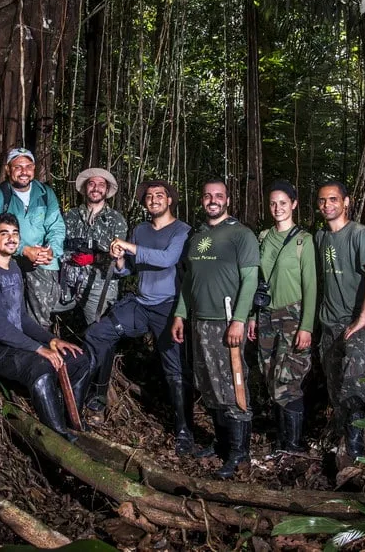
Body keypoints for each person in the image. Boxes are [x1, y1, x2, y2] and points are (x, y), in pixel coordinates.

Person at [82, 180, 193, 454]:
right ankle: (96, 398)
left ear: (170, 200)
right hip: (140, 304)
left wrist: (129, 247)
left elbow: (167, 259)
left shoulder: (183, 231)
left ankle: (183, 431)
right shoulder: (140, 230)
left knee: (175, 368)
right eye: (149, 196)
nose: (153, 199)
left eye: (159, 195)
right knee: (97, 334)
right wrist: (119, 258)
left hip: (169, 308)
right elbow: (129, 269)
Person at [0, 213, 91, 441]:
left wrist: (51, 340)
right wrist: (39, 349)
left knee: (79, 358)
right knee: (40, 367)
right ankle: (59, 436)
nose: (11, 238)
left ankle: (72, 422)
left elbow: (21, 317)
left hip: (15, 342)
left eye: (15, 234)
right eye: (4, 233)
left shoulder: (13, 267)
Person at [172, 179, 260, 479]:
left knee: (232, 383)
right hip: (200, 321)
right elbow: (188, 280)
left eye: (218, 196)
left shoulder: (240, 234)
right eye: (208, 196)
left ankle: (239, 451)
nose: (213, 200)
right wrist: (180, 315)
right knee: (208, 383)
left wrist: (239, 319)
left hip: (226, 322)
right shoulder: (197, 237)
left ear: (227, 200)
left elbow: (250, 280)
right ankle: (221, 443)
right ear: (202, 201)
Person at [314, 181, 365, 460]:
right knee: (335, 389)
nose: (327, 204)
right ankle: (342, 441)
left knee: (354, 378)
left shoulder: (359, 234)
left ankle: (355, 447)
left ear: (346, 202)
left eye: (333, 199)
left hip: (356, 325)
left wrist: (362, 318)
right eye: (322, 200)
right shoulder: (320, 237)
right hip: (328, 326)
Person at [246, 181, 317, 454]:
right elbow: (256, 281)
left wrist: (306, 326)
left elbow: (311, 286)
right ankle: (280, 442)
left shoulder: (304, 240)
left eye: (283, 203)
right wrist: (253, 316)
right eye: (273, 203)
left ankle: (294, 445)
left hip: (293, 315)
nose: (277, 208)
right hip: (265, 315)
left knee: (289, 378)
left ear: (294, 204)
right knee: (270, 376)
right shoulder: (263, 237)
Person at [0, 147, 66, 330]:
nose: (24, 171)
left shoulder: (45, 193)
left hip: (42, 258)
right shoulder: (0, 195)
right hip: (10, 257)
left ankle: (40, 343)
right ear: (8, 169)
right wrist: (23, 249)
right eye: (18, 166)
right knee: (9, 309)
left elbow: (56, 226)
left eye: (28, 166)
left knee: (41, 315)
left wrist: (51, 250)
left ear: (34, 169)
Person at [61, 167, 127, 326]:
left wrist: (95, 258)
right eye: (91, 184)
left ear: (106, 190)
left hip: (99, 286)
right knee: (39, 306)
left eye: (101, 185)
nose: (96, 188)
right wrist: (70, 257)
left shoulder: (115, 220)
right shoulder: (70, 216)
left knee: (97, 334)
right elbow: (58, 247)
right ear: (85, 188)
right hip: (68, 283)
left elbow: (118, 260)